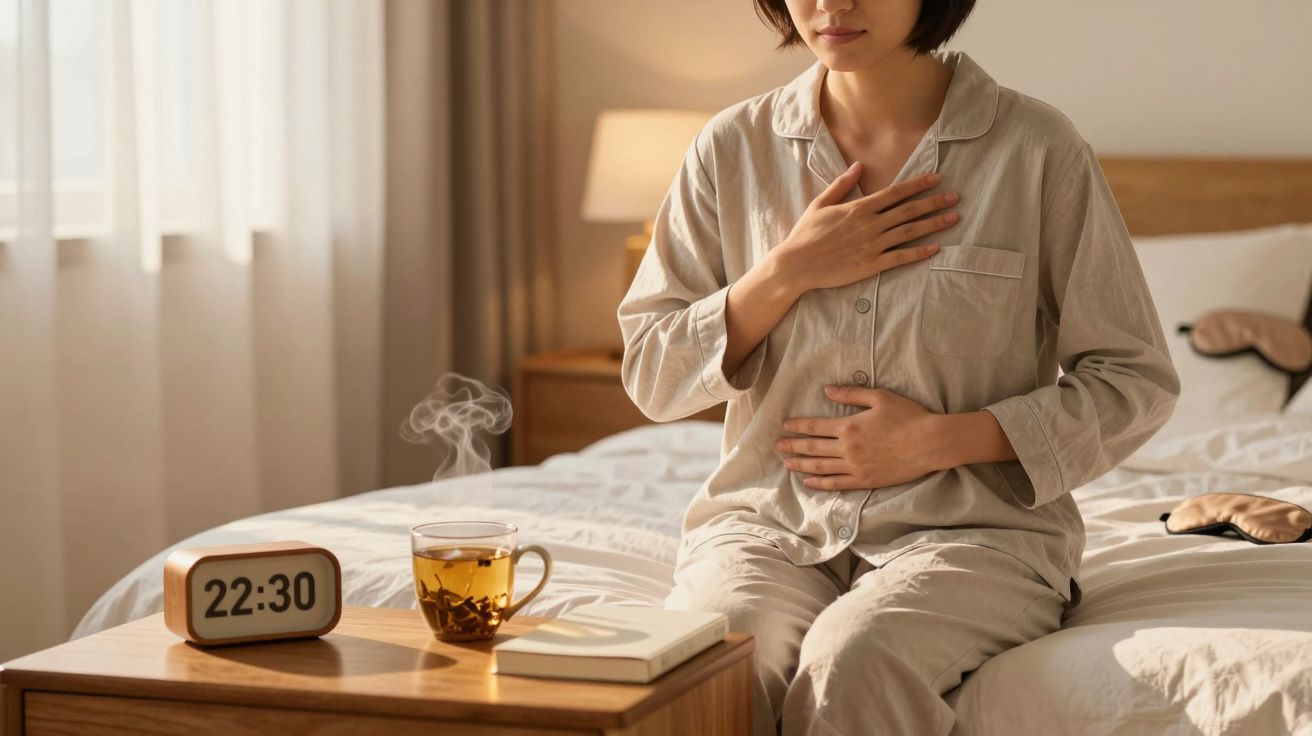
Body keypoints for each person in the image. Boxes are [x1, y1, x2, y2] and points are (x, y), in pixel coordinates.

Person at [615, 0, 1180, 734]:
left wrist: (946, 440)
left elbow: (1134, 379)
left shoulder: (1036, 150)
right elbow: (652, 374)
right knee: (716, 657)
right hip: (765, 525)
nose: (833, 4)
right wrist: (785, 273)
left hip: (976, 535)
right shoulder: (732, 147)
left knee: (854, 660)